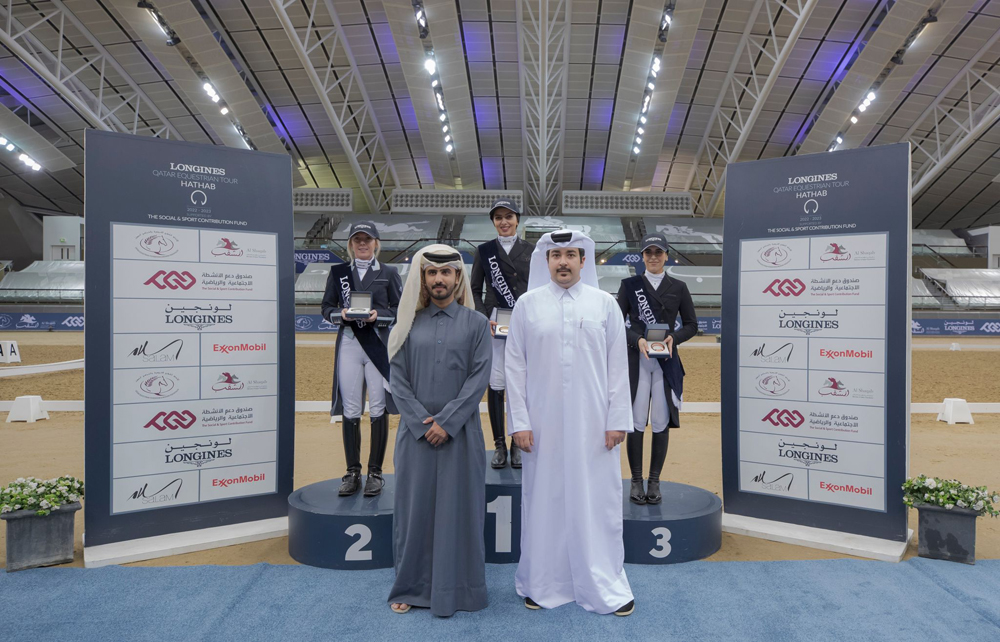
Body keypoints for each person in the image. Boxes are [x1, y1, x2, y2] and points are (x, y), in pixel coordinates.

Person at [505, 229, 635, 617]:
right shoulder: (527, 306)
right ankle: (542, 582)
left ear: (583, 260)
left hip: (595, 427)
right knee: (544, 501)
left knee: (597, 502)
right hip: (540, 428)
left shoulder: (604, 305)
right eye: (555, 254)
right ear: (545, 261)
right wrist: (520, 423)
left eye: (571, 254)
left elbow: (617, 368)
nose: (563, 261)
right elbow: (514, 367)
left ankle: (603, 582)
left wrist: (617, 420)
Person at [386, 244, 492, 617]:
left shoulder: (477, 324)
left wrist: (446, 422)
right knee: (414, 513)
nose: (438, 279)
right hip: (415, 436)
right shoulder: (407, 326)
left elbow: (479, 379)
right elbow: (397, 381)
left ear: (458, 277)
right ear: (423, 278)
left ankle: (462, 590)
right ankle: (410, 587)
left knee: (460, 511)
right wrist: (421, 422)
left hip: (461, 435)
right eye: (431, 273)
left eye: (446, 273)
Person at [320, 221, 402, 497]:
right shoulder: (338, 273)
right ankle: (352, 471)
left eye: (368, 239)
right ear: (351, 244)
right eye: (358, 240)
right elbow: (326, 307)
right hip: (350, 344)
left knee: (378, 407)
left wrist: (381, 315)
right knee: (352, 409)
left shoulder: (389, 273)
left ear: (376, 243)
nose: (363, 244)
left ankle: (375, 472)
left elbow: (398, 309)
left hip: (378, 344)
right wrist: (340, 315)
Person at [617, 234, 698, 505]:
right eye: (648, 252)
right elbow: (616, 322)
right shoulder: (629, 286)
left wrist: (675, 337)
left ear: (666, 256)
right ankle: (636, 481)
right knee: (637, 421)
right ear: (642, 256)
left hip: (665, 362)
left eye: (658, 252)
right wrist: (636, 339)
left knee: (661, 421)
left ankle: (654, 481)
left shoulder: (679, 286)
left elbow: (691, 324)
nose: (653, 257)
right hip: (638, 360)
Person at [470, 198, 534, 469]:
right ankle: (498, 444)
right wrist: (485, 317)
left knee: (522, 383)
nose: (504, 222)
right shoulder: (484, 252)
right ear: (493, 222)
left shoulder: (533, 250)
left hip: (526, 321)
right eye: (498, 217)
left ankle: (516, 444)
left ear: (518, 219)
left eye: (509, 216)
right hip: (496, 323)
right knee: (497, 385)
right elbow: (474, 289)